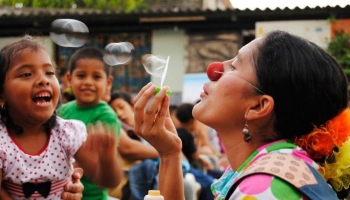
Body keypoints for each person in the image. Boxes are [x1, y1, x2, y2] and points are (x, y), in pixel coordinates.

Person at [131, 30, 350, 200]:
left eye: (234, 66)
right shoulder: (268, 169)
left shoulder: (262, 189)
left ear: (258, 106)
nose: (214, 70)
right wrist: (170, 153)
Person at [0, 36, 122, 199]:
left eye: (49, 72)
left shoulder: (66, 133)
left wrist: (107, 159)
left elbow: (107, 181)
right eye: (27, 74)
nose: (44, 80)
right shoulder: (2, 141)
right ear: (2, 92)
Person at [57, 47, 124, 200]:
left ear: (108, 83)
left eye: (96, 77)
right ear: (69, 79)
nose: (88, 82)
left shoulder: (106, 116)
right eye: (81, 75)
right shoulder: (61, 111)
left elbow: (97, 165)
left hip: (91, 196)